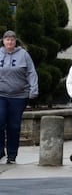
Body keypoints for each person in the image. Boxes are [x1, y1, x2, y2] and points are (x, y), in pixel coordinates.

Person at [0, 30, 38, 164]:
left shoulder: (23, 55)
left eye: (12, 40)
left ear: (15, 41)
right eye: (7, 39)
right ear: (3, 41)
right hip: (1, 95)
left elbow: (31, 72)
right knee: (0, 121)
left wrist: (34, 90)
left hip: (19, 96)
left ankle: (12, 155)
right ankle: (0, 151)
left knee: (14, 126)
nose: (9, 42)